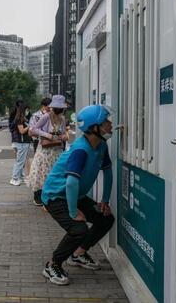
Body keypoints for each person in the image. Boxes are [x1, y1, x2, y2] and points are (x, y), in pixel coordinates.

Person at [40, 105, 115, 286]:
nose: (110, 125)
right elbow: (71, 182)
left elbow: (108, 171)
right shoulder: (81, 149)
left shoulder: (101, 145)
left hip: (75, 195)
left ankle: (78, 254)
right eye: (106, 122)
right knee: (78, 229)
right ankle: (52, 265)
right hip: (56, 196)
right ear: (94, 127)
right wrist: (74, 212)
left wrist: (105, 200)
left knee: (105, 219)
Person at [28, 95, 68, 206]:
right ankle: (38, 196)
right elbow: (33, 129)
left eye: (60, 108)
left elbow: (64, 132)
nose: (58, 110)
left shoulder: (63, 119)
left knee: (53, 173)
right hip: (45, 150)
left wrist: (64, 136)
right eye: (57, 108)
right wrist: (48, 135)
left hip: (56, 150)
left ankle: (51, 196)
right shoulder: (46, 117)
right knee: (42, 172)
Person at [9, 105, 32, 186]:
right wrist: (29, 126)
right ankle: (14, 178)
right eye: (26, 110)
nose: (27, 111)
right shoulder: (19, 119)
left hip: (24, 142)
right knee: (20, 161)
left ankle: (20, 177)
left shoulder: (24, 119)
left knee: (21, 161)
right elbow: (21, 131)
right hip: (21, 143)